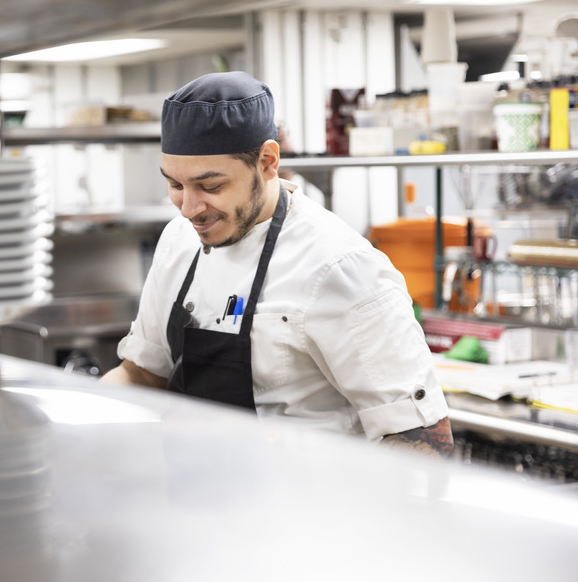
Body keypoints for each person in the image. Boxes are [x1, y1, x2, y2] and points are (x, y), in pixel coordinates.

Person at [102, 71, 453, 457]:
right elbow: (142, 374)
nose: (189, 208)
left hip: (306, 512)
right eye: (175, 185)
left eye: (211, 186)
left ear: (267, 162)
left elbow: (421, 442)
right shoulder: (178, 240)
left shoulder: (341, 266)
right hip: (196, 506)